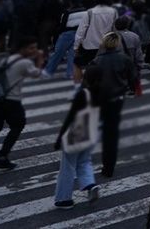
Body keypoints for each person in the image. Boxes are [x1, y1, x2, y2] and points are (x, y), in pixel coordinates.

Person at [0, 37, 42, 169]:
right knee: (18, 125)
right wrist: (39, 59)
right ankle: (2, 155)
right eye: (31, 48)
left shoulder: (8, 58)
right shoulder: (24, 62)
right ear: (22, 49)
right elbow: (37, 74)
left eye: (35, 47)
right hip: (11, 101)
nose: (34, 50)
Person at [52, 68, 102, 209]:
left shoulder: (83, 94)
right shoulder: (103, 93)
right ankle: (90, 185)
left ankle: (64, 199)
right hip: (92, 132)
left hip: (77, 133)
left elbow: (70, 117)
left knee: (67, 167)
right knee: (84, 161)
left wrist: (59, 138)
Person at [89, 29, 135, 178]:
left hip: (99, 99)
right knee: (111, 134)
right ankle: (109, 167)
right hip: (117, 99)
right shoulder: (125, 59)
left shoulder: (97, 61)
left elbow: (88, 83)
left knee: (99, 127)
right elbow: (133, 78)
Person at [72, 0, 116, 73]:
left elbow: (81, 31)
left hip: (90, 46)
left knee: (88, 67)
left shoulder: (90, 12)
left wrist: (76, 46)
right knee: (104, 68)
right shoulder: (113, 12)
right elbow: (115, 29)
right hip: (107, 45)